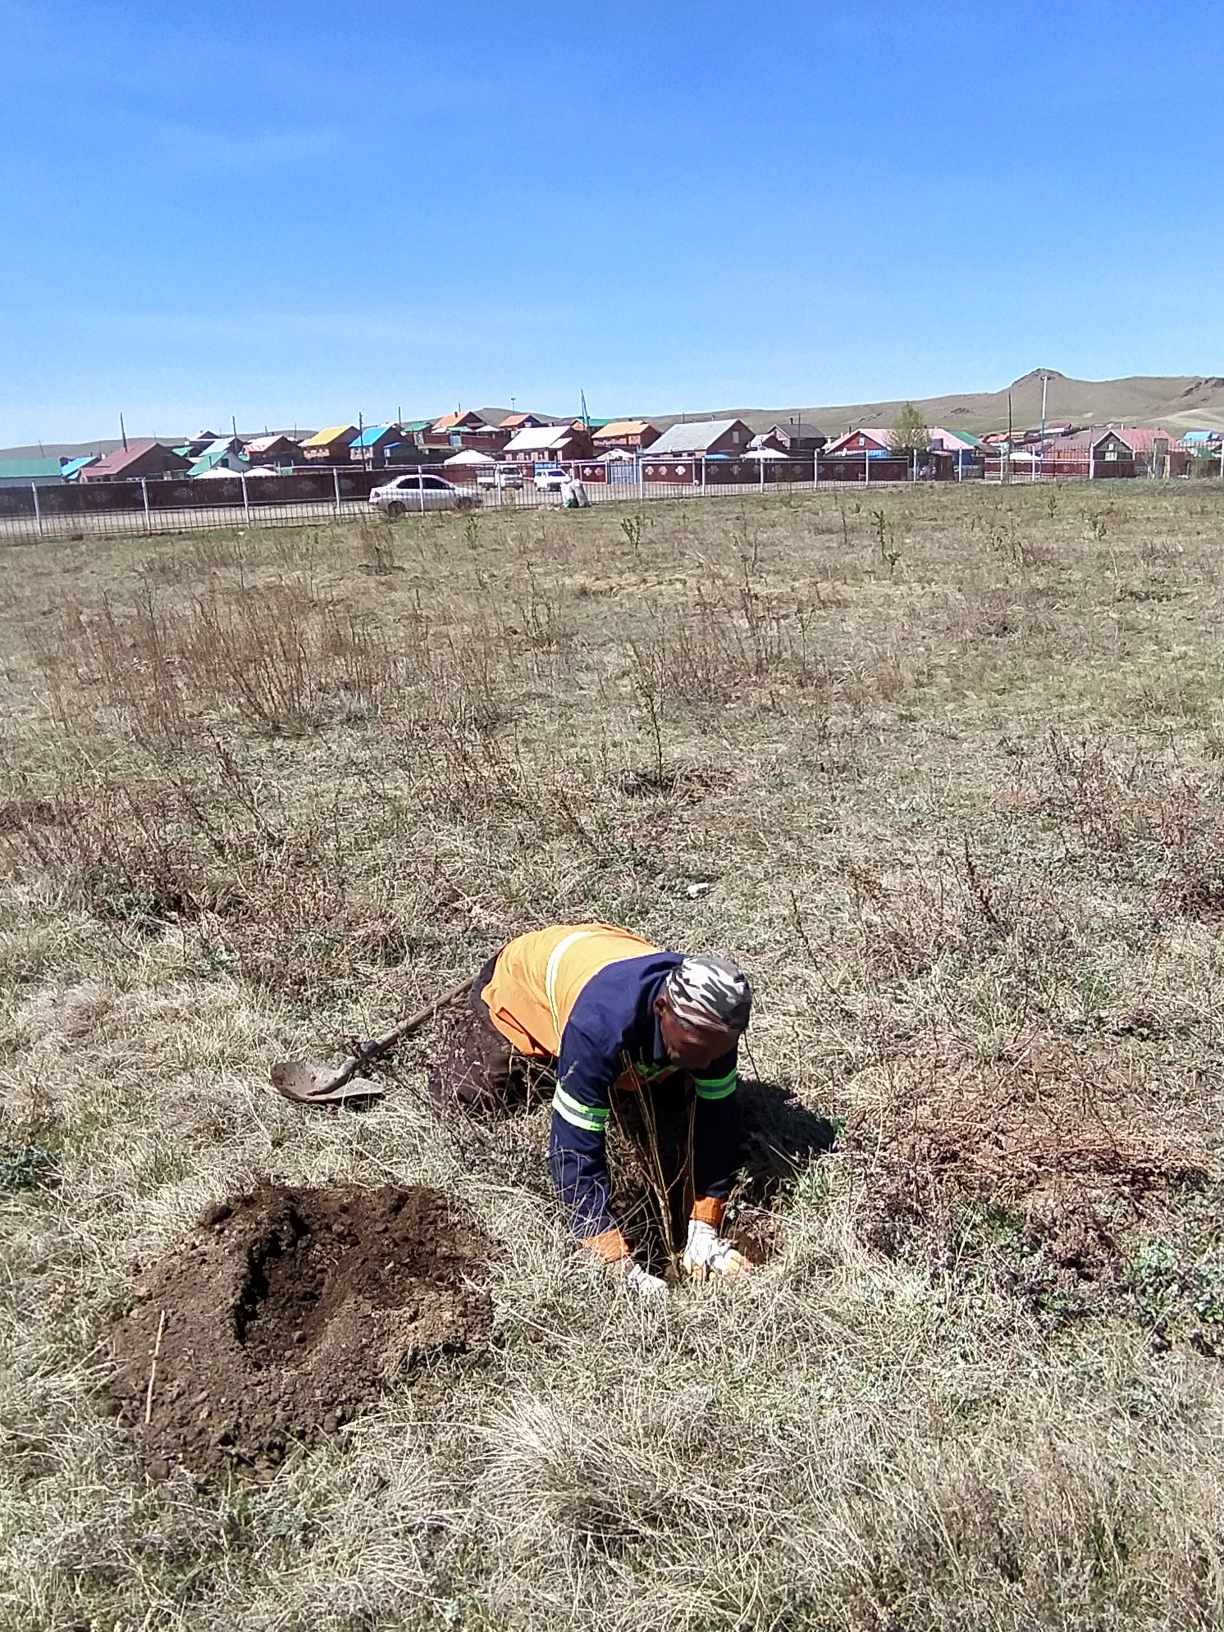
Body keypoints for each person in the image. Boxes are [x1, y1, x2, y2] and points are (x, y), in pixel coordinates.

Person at [440, 923, 753, 1295]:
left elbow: (717, 1120)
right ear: (661, 1008)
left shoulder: (713, 1024)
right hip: (522, 982)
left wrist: (705, 1223)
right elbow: (573, 1147)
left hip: (605, 953)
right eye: (695, 1048)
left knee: (673, 1107)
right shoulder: (601, 1025)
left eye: (716, 1052)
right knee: (469, 1097)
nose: (706, 1063)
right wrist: (614, 1260)